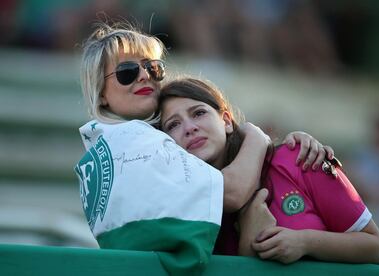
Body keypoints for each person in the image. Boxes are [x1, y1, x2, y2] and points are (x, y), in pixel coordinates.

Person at [75, 22, 333, 275]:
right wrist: (256, 136)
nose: (144, 76)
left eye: (153, 68)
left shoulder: (103, 146)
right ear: (101, 93)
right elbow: (232, 193)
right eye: (127, 72)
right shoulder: (135, 139)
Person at [158, 77, 379, 264]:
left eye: (198, 113)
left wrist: (304, 242)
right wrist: (248, 242)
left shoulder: (298, 157)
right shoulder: (185, 204)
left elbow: (374, 247)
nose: (189, 128)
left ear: (226, 121)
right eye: (174, 125)